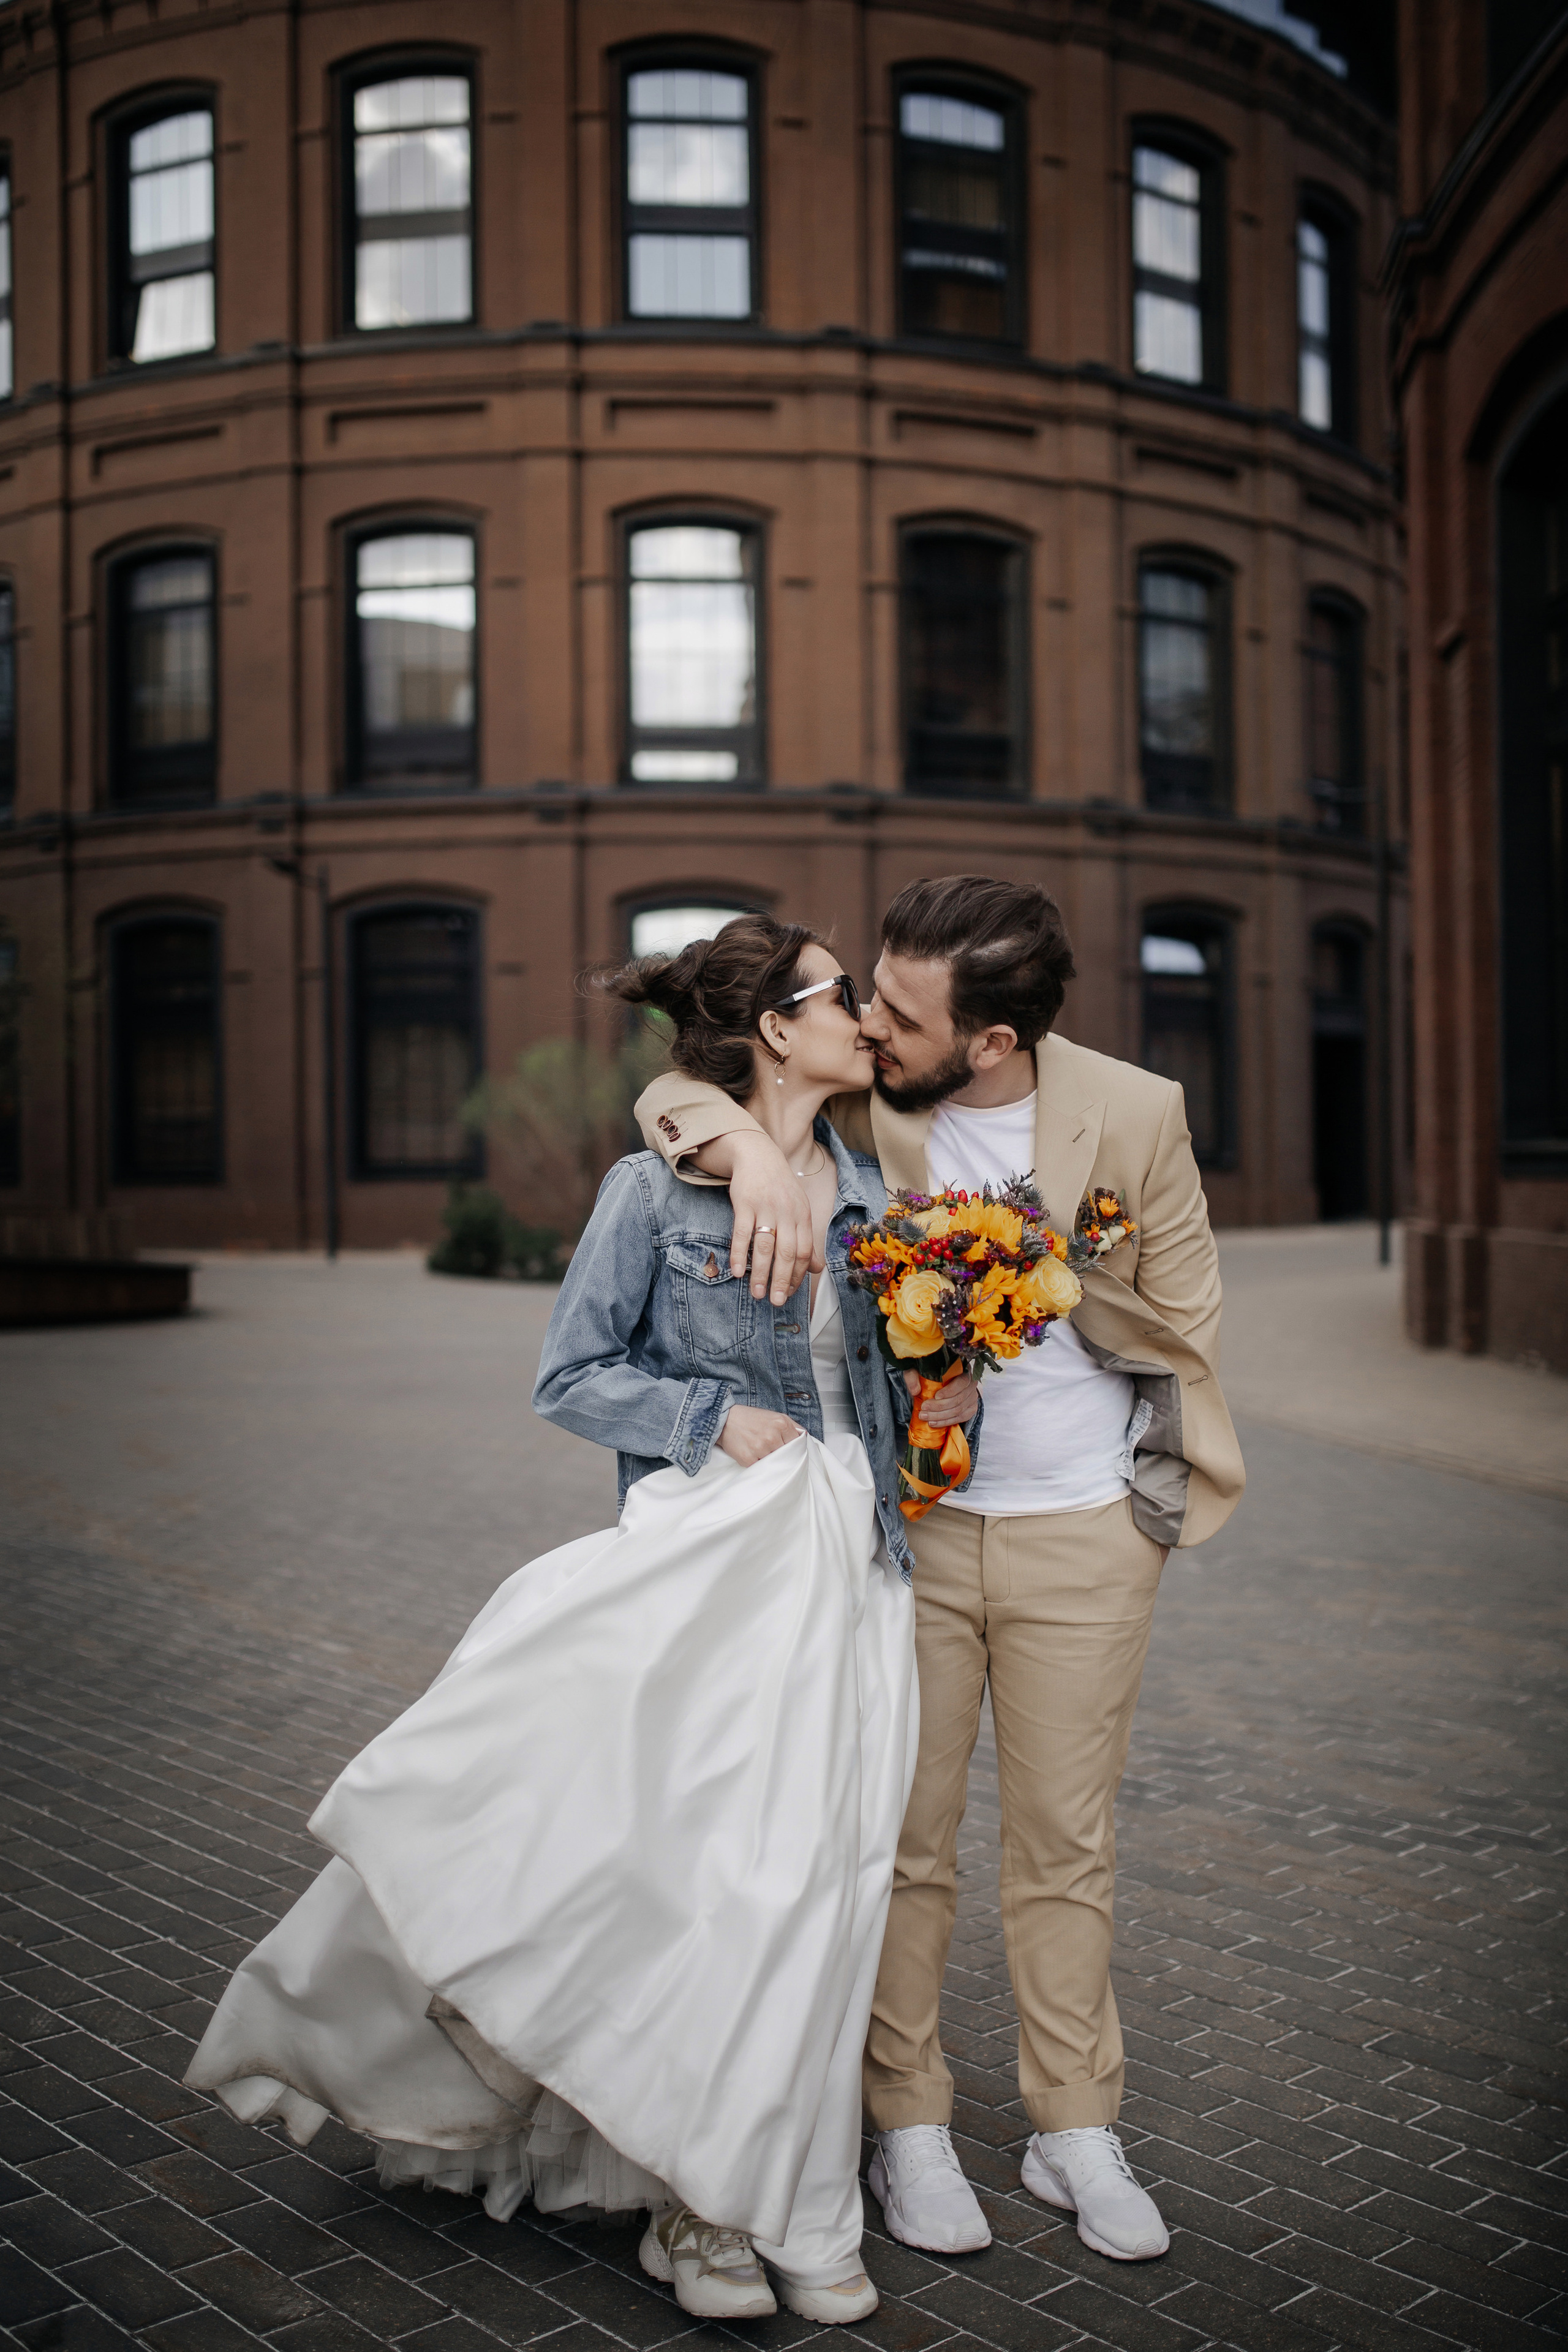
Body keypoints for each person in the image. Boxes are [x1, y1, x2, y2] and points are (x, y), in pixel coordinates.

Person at [184, 914, 977, 2327]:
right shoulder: (651, 1191)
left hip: (850, 1570)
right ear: (774, 1032)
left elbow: (885, 1365)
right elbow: (569, 1376)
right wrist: (706, 1415)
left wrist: (945, 1397)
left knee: (819, 1887)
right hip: (706, 1569)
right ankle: (701, 2202)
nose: (864, 1010)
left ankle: (767, 2188)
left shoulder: (881, 1181)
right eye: (838, 992)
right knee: (705, 1880)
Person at [635, 874, 1245, 2266]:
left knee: (1062, 1846)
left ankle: (1071, 2125)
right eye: (865, 995)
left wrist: (1034, 1285)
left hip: (1088, 1533)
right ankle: (906, 2121)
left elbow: (1190, 1307)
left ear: (989, 1040)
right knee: (899, 1846)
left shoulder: (1134, 1110)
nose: (866, 1019)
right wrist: (743, 1150)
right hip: (902, 1535)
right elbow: (672, 1100)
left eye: (899, 1009)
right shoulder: (866, 1097)